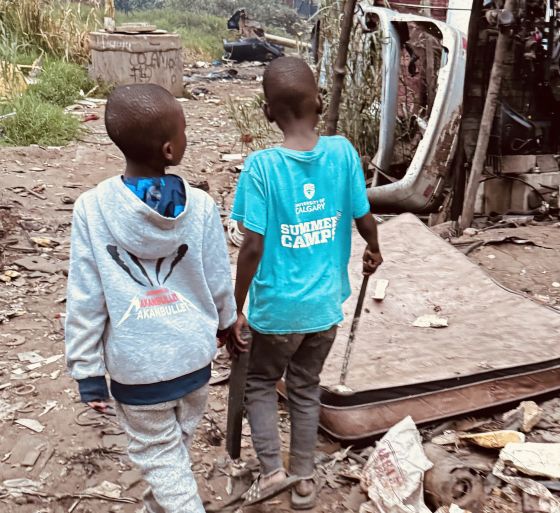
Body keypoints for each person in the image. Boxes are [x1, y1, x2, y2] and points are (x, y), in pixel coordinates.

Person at [65, 84, 236, 513]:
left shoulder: (93, 208)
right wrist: (227, 324)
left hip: (138, 371)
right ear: (168, 149)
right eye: (184, 130)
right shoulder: (199, 206)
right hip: (195, 364)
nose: (187, 137)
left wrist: (87, 369)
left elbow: (86, 296)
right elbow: (218, 278)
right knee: (170, 454)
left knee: (163, 457)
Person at [230, 56, 382, 509]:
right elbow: (364, 216)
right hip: (323, 309)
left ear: (267, 112)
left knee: (260, 383)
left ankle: (272, 470)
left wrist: (234, 308)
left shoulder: (261, 167)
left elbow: (252, 246)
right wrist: (374, 248)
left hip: (276, 311)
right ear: (319, 101)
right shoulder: (342, 153)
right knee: (305, 386)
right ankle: (303, 480)